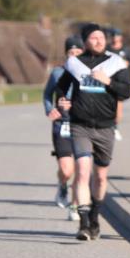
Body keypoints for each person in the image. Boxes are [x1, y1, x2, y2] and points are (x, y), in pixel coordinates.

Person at [55, 23, 130, 241]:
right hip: (80, 125)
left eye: (101, 37)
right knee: (82, 171)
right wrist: (61, 100)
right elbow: (61, 87)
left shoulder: (115, 63)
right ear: (85, 41)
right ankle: (83, 223)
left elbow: (127, 91)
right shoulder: (75, 64)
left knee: (100, 176)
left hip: (106, 127)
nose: (98, 41)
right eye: (93, 38)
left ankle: (95, 217)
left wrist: (107, 81)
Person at [43, 35, 84, 221]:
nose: (74, 56)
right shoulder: (57, 73)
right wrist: (50, 109)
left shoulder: (88, 74)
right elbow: (46, 94)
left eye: (78, 52)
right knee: (67, 170)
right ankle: (62, 186)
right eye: (71, 52)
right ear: (66, 54)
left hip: (81, 125)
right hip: (62, 125)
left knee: (81, 169)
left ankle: (74, 207)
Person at [106, 28, 130, 141]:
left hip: (120, 81)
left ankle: (115, 127)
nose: (115, 38)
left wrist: (127, 62)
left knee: (118, 109)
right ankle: (109, 127)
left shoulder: (126, 50)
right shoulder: (107, 49)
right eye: (113, 36)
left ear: (120, 37)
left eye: (117, 36)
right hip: (108, 79)